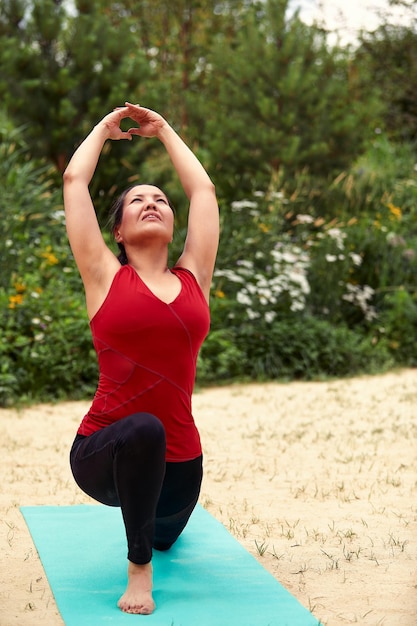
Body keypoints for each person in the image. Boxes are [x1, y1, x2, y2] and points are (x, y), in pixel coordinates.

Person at [63, 102, 219, 615]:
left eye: (159, 199)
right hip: (103, 453)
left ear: (175, 224)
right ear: (119, 233)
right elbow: (74, 180)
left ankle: (150, 533)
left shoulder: (194, 276)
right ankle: (139, 570)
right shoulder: (104, 276)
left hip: (181, 467)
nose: (152, 202)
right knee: (145, 428)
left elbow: (203, 192)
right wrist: (105, 131)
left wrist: (167, 130)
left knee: (165, 532)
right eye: (136, 201)